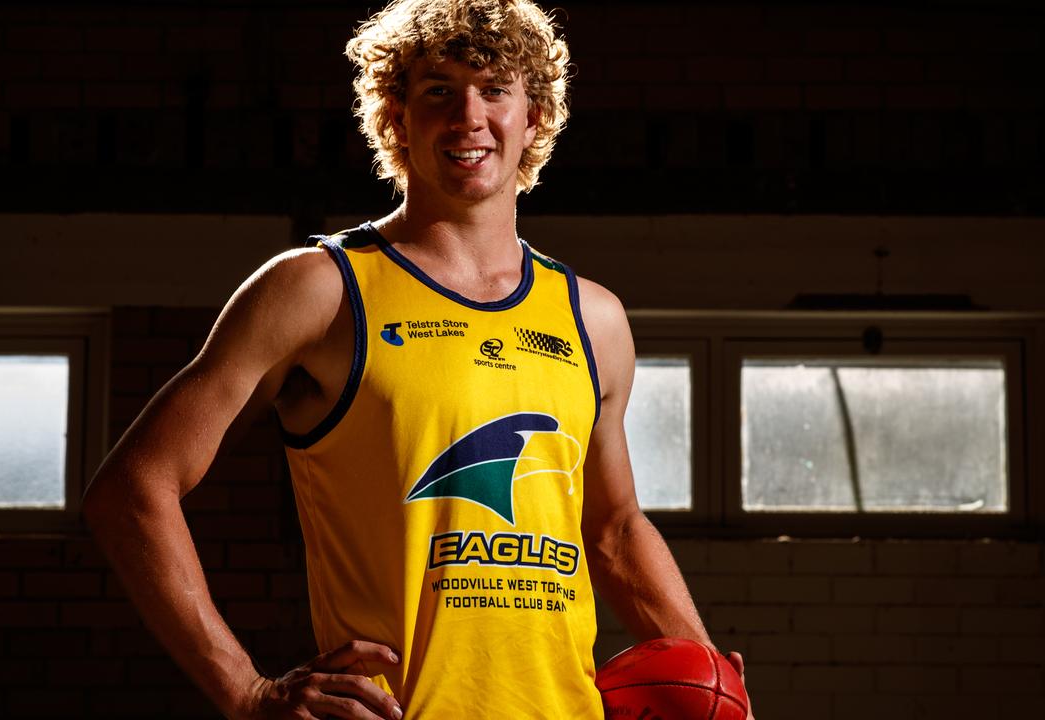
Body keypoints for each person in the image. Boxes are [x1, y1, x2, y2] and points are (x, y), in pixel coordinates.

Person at [83, 1, 754, 718]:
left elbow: (615, 529)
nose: (470, 116)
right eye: (439, 91)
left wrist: (710, 676)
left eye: (495, 89)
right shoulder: (319, 290)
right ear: (397, 118)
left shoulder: (593, 316)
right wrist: (246, 692)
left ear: (534, 117)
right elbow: (133, 488)